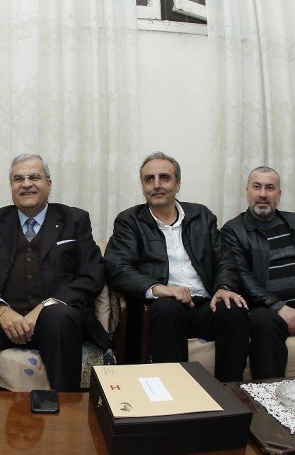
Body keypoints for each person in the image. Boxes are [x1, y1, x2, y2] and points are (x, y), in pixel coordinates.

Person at [0, 153, 113, 392]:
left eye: (34, 177)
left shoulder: (74, 219)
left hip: (55, 323)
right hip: (4, 323)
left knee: (58, 316)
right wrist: (2, 310)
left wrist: (45, 307)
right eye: (18, 179)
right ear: (11, 186)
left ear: (49, 183)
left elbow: (91, 274)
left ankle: (64, 404)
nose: (26, 184)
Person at [103, 152, 250, 382]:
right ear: (143, 186)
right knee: (167, 308)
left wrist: (224, 287)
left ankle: (229, 389)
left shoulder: (201, 216)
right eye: (149, 179)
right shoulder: (129, 221)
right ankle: (176, 391)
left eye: (164, 177)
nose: (157, 185)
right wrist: (159, 289)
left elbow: (225, 259)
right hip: (163, 307)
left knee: (234, 308)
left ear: (178, 184)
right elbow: (117, 267)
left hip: (205, 305)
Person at [221, 166, 295, 379]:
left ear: (279, 194)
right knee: (266, 325)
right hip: (263, 308)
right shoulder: (233, 230)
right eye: (257, 187)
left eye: (270, 188)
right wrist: (279, 306)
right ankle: (269, 394)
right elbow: (242, 276)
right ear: (247, 191)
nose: (263, 194)